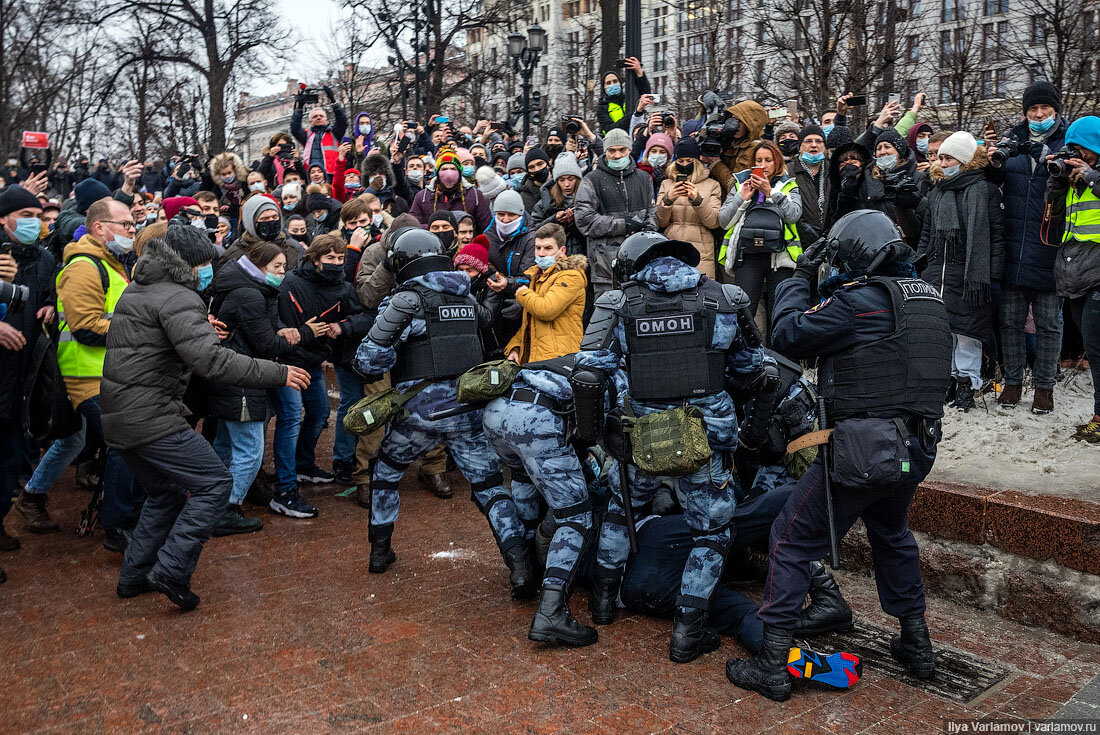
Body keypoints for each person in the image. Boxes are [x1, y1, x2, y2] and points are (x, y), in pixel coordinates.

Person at [726, 210, 951, 702]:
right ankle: (917, 643)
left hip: (862, 452)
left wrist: (800, 275)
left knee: (789, 538)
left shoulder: (859, 302)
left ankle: (772, 663)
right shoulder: (929, 302)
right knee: (892, 534)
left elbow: (786, 334)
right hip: (916, 448)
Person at [573, 232, 765, 663]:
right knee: (712, 532)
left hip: (643, 440)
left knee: (623, 515)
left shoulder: (617, 304)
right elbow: (756, 370)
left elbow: (587, 377)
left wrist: (596, 434)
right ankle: (686, 635)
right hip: (707, 443)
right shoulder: (726, 297)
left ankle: (602, 607)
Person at [102, 224, 310, 610]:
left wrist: (200, 331)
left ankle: (133, 575)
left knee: (165, 494)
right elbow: (212, 362)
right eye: (203, 264)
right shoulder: (178, 298)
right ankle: (171, 570)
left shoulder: (142, 287)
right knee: (214, 484)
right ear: (184, 264)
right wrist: (278, 372)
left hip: (121, 414)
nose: (208, 270)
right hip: (152, 417)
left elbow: (159, 340)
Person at [355, 229, 532, 594]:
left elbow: (367, 360)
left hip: (419, 413)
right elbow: (484, 325)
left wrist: (393, 353)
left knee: (386, 472)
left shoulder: (407, 299)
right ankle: (520, 565)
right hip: (467, 409)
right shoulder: (464, 295)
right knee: (489, 487)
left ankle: (380, 551)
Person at [31, 200, 139, 549]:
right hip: (87, 376)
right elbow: (86, 328)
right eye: (125, 224)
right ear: (100, 227)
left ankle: (130, 513)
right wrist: (141, 326)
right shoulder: (83, 267)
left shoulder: (113, 264)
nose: (132, 229)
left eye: (134, 223)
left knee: (105, 441)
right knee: (125, 441)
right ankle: (117, 523)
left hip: (112, 373)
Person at [482, 355, 598, 646]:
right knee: (575, 515)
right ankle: (551, 613)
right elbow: (594, 433)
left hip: (496, 414)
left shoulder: (570, 360)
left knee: (522, 474)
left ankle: (526, 572)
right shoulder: (614, 374)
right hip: (537, 421)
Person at [208, 240, 311, 536]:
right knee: (251, 450)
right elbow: (264, 344)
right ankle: (227, 507)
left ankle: (211, 500)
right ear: (257, 266)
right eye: (276, 267)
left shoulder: (241, 289)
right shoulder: (251, 295)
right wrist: (295, 337)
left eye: (283, 266)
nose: (282, 271)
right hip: (243, 381)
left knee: (226, 445)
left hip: (232, 377)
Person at [353, 216, 456, 501]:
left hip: (422, 337)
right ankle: (365, 475)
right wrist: (389, 265)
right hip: (384, 339)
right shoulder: (374, 253)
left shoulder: (430, 249)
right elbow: (367, 297)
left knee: (433, 402)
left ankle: (434, 467)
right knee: (376, 406)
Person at [274, 233, 373, 512]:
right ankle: (285, 485)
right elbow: (277, 321)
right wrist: (304, 332)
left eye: (340, 258)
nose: (336, 263)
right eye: (330, 258)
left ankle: (303, 465)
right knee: (291, 418)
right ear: (315, 260)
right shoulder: (290, 282)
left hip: (314, 361)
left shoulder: (343, 287)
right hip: (286, 361)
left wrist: (344, 326)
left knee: (318, 414)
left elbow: (366, 315)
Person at [991, 81, 1069, 415]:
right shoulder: (1012, 143)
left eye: (1045, 109)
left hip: (1050, 249)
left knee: (1049, 325)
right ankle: (1011, 383)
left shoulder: (1069, 144)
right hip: (1013, 247)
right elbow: (991, 182)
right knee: (1010, 322)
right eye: (1033, 110)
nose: (1038, 115)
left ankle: (1044, 388)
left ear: (1055, 110)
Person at [916, 131, 1004, 411]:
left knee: (967, 333)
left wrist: (993, 275)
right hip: (938, 272)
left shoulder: (984, 190)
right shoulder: (935, 192)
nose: (943, 162)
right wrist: (924, 263)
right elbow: (927, 233)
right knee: (944, 332)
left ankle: (967, 383)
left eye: (949, 157)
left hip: (970, 275)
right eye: (941, 157)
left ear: (964, 160)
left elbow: (997, 236)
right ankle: (948, 381)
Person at [0, 186, 57, 553]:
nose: (33, 224)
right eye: (25, 217)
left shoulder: (45, 258)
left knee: (11, 461)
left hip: (26, 374)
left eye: (37, 217)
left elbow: (51, 292)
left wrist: (51, 306)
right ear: (3, 219)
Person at [1042, 115, 1100, 442]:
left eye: (1084, 148)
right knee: (1094, 347)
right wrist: (1058, 181)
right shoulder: (1077, 179)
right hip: (1076, 274)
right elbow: (1053, 216)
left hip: (1097, 275)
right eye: (1073, 148)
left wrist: (1091, 176)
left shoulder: (1093, 176)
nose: (1078, 154)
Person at [719, 140, 803, 337]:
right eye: (759, 160)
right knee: (743, 311)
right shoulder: (741, 183)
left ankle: (781, 359)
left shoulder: (789, 185)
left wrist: (770, 192)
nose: (763, 165)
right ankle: (744, 356)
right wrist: (743, 197)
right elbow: (724, 221)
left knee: (779, 312)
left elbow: (794, 215)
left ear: (777, 163)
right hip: (748, 255)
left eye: (768, 160)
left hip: (779, 258)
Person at [574, 128, 658, 298]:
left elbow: (652, 212)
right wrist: (622, 225)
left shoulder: (643, 178)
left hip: (641, 262)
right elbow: (583, 219)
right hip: (605, 268)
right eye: (612, 150)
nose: (617, 155)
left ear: (629, 150)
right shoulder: (592, 179)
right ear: (605, 152)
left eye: (622, 150)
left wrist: (648, 230)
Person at [504, 223, 587, 364]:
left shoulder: (571, 276)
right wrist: (515, 347)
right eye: (538, 248)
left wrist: (523, 294)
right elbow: (531, 323)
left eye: (548, 248)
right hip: (536, 358)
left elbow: (546, 310)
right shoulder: (535, 275)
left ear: (562, 251)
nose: (541, 253)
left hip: (559, 359)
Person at [657, 137, 722, 279]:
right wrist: (668, 199)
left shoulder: (712, 185)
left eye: (689, 161)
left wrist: (698, 200)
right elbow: (661, 222)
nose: (685, 165)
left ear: (697, 161)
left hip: (701, 251)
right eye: (680, 161)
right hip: (672, 246)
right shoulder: (666, 184)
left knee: (702, 293)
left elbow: (713, 222)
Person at [410, 148, 492, 231]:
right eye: (444, 169)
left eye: (453, 169)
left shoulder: (475, 195)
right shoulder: (422, 197)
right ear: (437, 173)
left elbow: (486, 228)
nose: (449, 174)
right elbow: (414, 225)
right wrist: (436, 228)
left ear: (459, 173)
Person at [221, 195, 304, 272]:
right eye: (265, 218)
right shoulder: (235, 255)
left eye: (275, 217)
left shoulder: (292, 248)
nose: (271, 221)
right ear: (251, 223)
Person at [290, 87, 347, 181]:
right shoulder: (306, 135)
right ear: (310, 121)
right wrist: (299, 107)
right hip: (313, 176)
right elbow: (295, 129)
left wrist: (333, 102)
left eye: (321, 116)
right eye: (315, 116)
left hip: (332, 175)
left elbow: (342, 122)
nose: (318, 118)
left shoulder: (334, 133)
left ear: (326, 119)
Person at [787, 125, 830, 238]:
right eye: (808, 141)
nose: (814, 145)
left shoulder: (833, 170)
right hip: (798, 238)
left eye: (819, 141)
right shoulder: (788, 171)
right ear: (800, 147)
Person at [596, 57, 651, 135]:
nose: (612, 85)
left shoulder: (630, 98)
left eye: (615, 81)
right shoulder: (602, 108)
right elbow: (609, 128)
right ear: (603, 88)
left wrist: (639, 72)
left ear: (620, 83)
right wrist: (634, 115)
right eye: (608, 83)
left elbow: (645, 94)